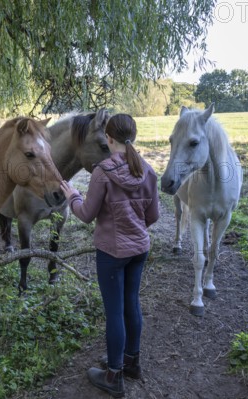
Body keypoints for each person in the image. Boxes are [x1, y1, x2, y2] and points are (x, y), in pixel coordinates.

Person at [60, 113, 159, 397]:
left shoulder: (103, 172)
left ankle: (113, 375)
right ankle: (131, 362)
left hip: (112, 253)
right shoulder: (147, 170)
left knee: (114, 311)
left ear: (108, 138)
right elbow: (152, 216)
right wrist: (134, 228)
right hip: (140, 249)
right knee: (132, 303)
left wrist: (72, 196)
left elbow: (86, 214)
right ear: (134, 137)